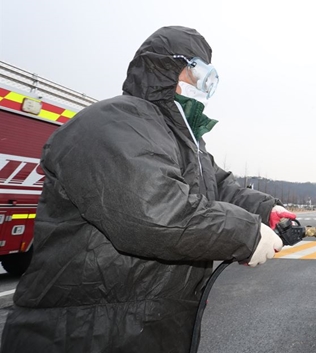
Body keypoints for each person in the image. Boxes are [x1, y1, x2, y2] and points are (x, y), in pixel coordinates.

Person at [0, 26, 296, 352]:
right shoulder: (113, 123)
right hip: (85, 331)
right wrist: (245, 233)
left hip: (147, 327)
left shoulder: (186, 142)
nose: (204, 86)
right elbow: (155, 213)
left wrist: (267, 211)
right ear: (164, 67)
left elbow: (220, 187)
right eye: (198, 71)